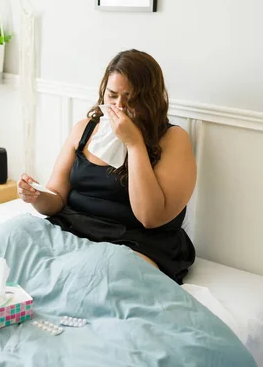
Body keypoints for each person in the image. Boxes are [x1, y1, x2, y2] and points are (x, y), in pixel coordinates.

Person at [17, 49, 197, 284]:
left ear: (150, 99)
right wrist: (36, 195)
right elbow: (56, 199)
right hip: (74, 230)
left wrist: (134, 144)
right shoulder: (85, 128)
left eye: (130, 99)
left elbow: (150, 217)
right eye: (112, 96)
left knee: (95, 273)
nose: (119, 106)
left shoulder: (173, 139)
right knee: (16, 234)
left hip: (134, 242)